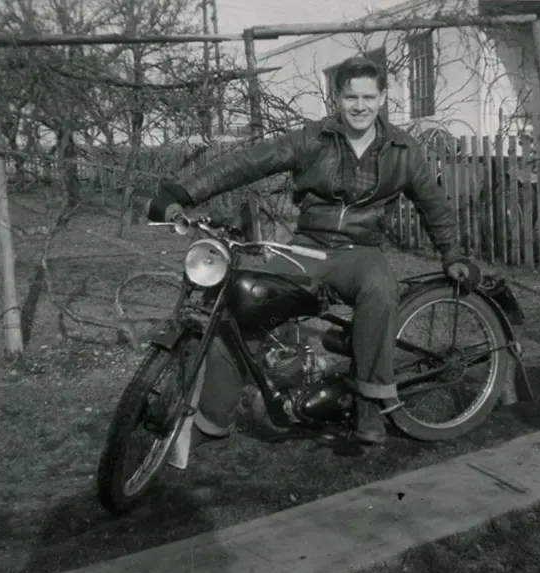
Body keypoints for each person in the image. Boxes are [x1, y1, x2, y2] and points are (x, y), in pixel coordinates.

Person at [146, 56, 480, 465]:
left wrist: (454, 254)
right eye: (351, 96)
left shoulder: (403, 150)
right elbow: (248, 162)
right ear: (337, 97)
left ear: (383, 98)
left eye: (369, 97)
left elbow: (435, 207)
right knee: (238, 302)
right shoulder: (313, 138)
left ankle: (370, 407)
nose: (360, 105)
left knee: (380, 291)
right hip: (305, 247)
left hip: (360, 251)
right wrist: (183, 191)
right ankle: (213, 421)